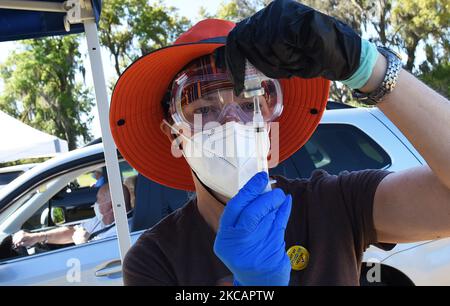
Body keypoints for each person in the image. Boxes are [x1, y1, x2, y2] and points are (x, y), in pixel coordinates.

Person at [109, 0, 450, 286]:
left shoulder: (334, 204)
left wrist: (366, 67)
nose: (231, 121)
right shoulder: (155, 259)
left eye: (248, 105)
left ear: (270, 121)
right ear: (175, 134)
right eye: (204, 109)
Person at [12, 184, 132, 248]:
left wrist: (82, 244)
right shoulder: (101, 220)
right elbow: (73, 231)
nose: (95, 204)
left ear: (112, 206)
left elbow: (101, 260)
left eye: (98, 201)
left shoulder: (123, 231)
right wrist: (37, 237)